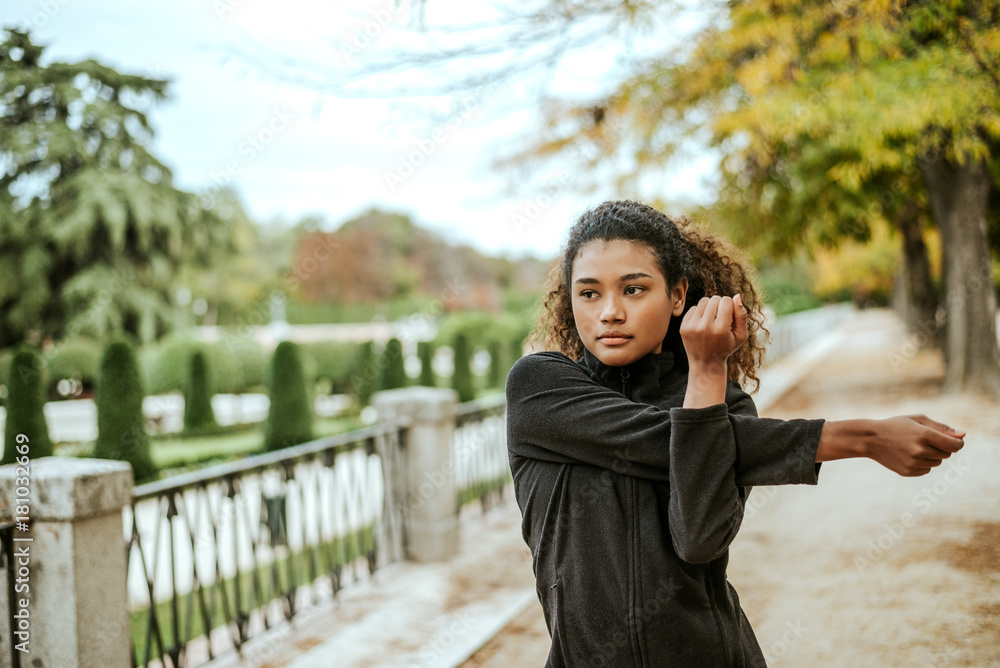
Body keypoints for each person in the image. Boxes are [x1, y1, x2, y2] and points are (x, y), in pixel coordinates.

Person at [504, 200, 965, 667]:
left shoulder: (726, 404)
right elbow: (653, 435)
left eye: (634, 289)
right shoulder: (540, 390)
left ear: (678, 296)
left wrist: (707, 373)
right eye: (589, 293)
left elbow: (699, 539)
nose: (610, 312)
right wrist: (859, 439)